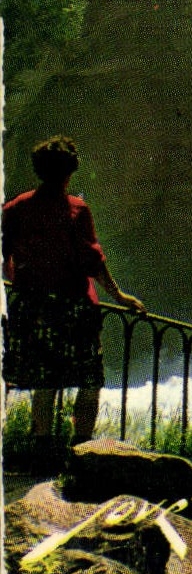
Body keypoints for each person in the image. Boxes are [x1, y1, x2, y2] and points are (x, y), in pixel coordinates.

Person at [3, 135, 145, 465]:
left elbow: (4, 254)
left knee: (45, 382)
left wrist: (19, 283)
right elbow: (93, 260)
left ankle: (41, 453)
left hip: (35, 308)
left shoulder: (15, 208)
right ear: (70, 172)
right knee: (89, 380)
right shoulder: (76, 210)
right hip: (74, 308)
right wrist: (119, 296)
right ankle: (82, 453)